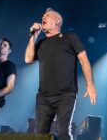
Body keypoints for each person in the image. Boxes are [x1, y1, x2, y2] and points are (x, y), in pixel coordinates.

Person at [25, 8, 97, 140]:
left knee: (63, 132)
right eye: (43, 16)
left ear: (57, 20)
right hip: (44, 97)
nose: (43, 17)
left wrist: (90, 84)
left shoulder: (70, 38)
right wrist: (33, 36)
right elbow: (28, 59)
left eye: (47, 16)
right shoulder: (41, 43)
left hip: (65, 94)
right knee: (40, 134)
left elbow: (84, 60)